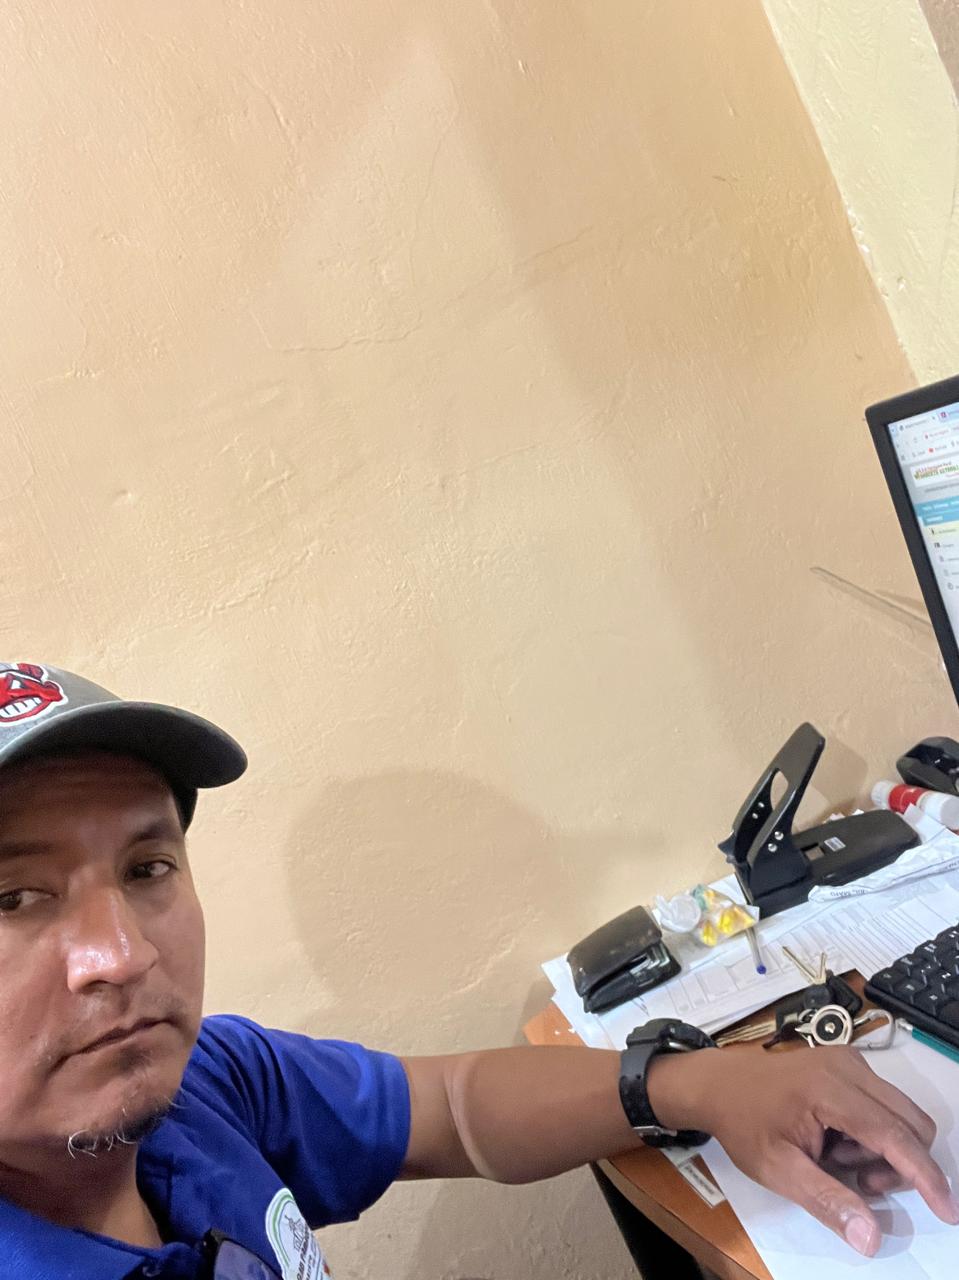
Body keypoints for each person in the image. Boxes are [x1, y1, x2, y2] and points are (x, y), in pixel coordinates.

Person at [0, 661, 953, 1279]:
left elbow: (451, 1107)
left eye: (147, 869)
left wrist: (706, 1081)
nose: (123, 953)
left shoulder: (209, 1084)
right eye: (13, 897)